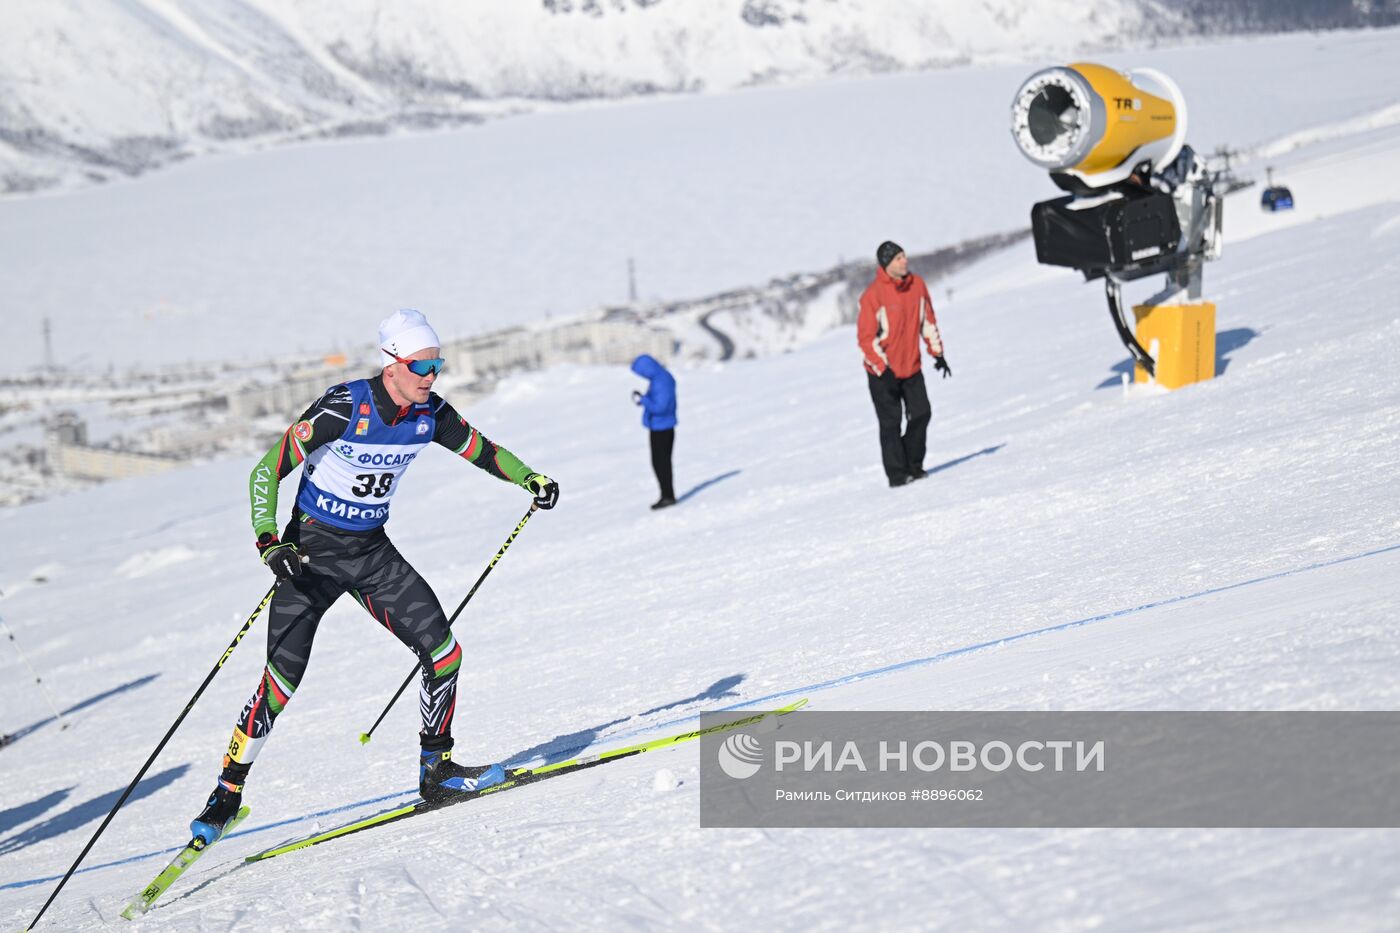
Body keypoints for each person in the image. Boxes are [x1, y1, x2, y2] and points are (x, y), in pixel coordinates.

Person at [189, 309, 559, 844]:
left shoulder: (430, 413)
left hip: (370, 555)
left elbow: (483, 451)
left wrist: (531, 479)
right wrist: (270, 543)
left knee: (444, 653)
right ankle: (227, 793)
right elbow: (266, 470)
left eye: (438, 365)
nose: (431, 376)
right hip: (310, 557)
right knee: (281, 683)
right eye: (420, 365)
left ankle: (437, 772)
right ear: (391, 366)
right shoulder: (344, 406)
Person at [857, 241, 952, 487]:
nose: (904, 261)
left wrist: (938, 354)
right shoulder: (873, 296)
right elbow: (866, 339)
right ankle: (898, 476)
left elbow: (927, 322)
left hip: (911, 367)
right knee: (890, 424)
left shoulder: (917, 286)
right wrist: (882, 368)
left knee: (922, 413)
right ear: (887, 264)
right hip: (883, 373)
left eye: (904, 256)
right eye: (899, 258)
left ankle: (914, 465)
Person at [630, 354, 677, 510]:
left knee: (660, 463)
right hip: (661, 426)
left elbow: (660, 407)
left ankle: (667, 496)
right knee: (661, 463)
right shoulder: (660, 377)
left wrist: (644, 400)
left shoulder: (661, 381)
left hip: (661, 428)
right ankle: (667, 495)